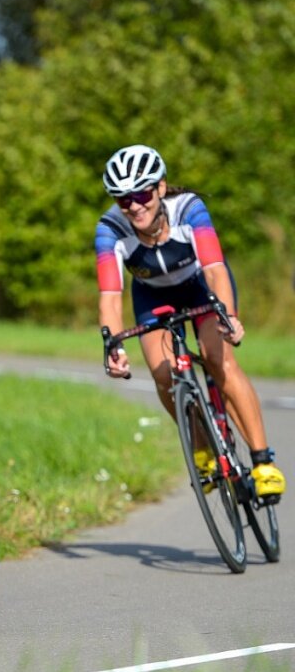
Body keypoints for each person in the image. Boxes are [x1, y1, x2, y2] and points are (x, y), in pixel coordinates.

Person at [96, 144, 285, 501]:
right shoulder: (109, 228)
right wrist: (113, 344)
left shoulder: (189, 209)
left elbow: (214, 269)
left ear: (161, 188)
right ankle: (202, 449)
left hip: (202, 289)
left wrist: (228, 316)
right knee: (164, 374)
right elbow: (109, 295)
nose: (134, 204)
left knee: (220, 360)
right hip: (153, 296)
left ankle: (263, 463)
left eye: (142, 193)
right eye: (123, 199)